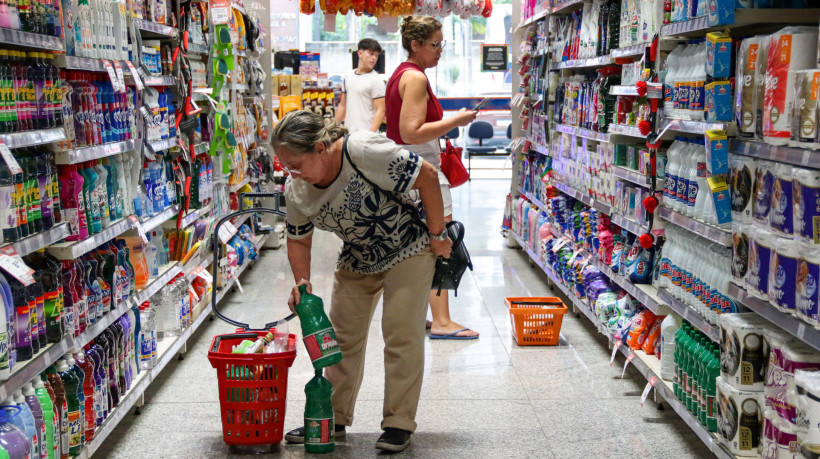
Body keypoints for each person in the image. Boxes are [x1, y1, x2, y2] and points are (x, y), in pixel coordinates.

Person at [275, 110, 453, 452]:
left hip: (409, 246)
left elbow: (427, 176)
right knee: (340, 338)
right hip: (359, 254)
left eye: (296, 164)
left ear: (322, 147)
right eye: (285, 166)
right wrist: (302, 282)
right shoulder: (298, 189)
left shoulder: (363, 151)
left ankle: (399, 422)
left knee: (401, 332)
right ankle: (334, 417)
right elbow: (298, 238)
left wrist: (436, 234)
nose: (291, 173)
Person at [385, 15, 479, 340]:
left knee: (422, 242)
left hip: (409, 168)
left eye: (443, 44)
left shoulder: (405, 73)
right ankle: (441, 320)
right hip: (421, 169)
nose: (440, 51)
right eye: (435, 45)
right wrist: (457, 121)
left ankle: (425, 315)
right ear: (415, 44)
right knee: (441, 239)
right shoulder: (415, 79)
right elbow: (411, 132)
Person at [334, 38, 386, 133]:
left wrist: (370, 134)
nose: (374, 58)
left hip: (366, 136)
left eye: (376, 55)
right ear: (360, 53)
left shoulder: (377, 80)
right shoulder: (348, 76)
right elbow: (342, 106)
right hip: (349, 134)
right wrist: (331, 130)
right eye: (371, 53)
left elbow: (381, 110)